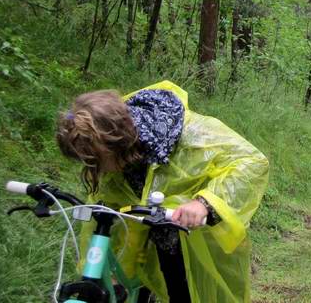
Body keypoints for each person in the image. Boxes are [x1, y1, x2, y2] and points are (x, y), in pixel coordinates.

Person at [56, 80, 269, 303]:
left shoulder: (192, 134)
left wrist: (203, 203)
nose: (94, 169)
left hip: (196, 239)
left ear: (117, 141)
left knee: (196, 294)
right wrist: (106, 270)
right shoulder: (117, 161)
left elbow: (251, 162)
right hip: (142, 243)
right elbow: (107, 209)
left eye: (96, 160)